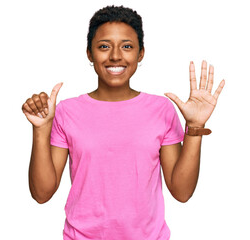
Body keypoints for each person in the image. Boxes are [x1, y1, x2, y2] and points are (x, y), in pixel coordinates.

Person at [21, 5, 225, 240]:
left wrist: (194, 129)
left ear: (141, 53)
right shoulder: (67, 112)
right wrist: (41, 128)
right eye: (104, 46)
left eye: (127, 46)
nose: (115, 55)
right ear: (89, 53)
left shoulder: (161, 110)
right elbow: (41, 193)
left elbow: (181, 192)